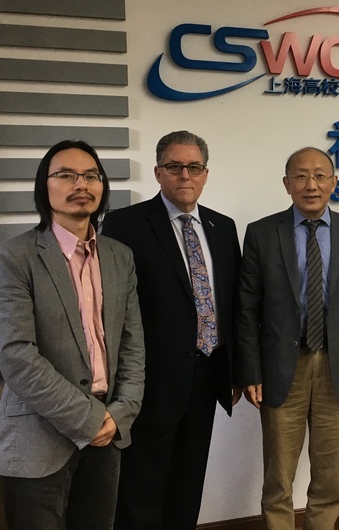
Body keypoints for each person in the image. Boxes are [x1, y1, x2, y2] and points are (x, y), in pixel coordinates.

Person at [0, 140, 145, 530]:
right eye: (66, 175)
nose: (81, 184)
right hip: (39, 437)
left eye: (91, 175)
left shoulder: (119, 256)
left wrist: (121, 413)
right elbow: (17, 357)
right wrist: (90, 419)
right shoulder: (12, 257)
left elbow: (132, 344)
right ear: (45, 186)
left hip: (108, 432)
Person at [102, 130, 241, 530]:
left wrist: (236, 371)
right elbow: (112, 308)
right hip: (150, 381)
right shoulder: (125, 225)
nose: (185, 175)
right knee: (142, 487)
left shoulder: (222, 227)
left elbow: (232, 304)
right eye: (175, 166)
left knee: (188, 482)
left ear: (206, 174)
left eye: (194, 167)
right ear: (158, 172)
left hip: (208, 374)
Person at [235, 146, 339, 530]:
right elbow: (246, 309)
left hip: (338, 366)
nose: (310, 185)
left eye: (319, 175)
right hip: (282, 367)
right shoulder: (262, 233)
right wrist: (250, 371)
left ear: (334, 182)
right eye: (300, 176)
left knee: (330, 475)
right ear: (287, 184)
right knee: (279, 475)